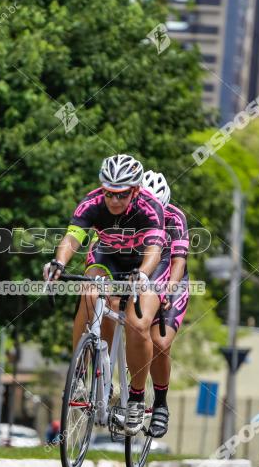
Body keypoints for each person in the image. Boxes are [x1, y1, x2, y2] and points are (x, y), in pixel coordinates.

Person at [44, 154, 166, 435]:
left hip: (143, 264)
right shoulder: (92, 202)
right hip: (107, 258)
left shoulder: (150, 208)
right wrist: (59, 263)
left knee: (137, 325)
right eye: (109, 193)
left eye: (121, 195)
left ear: (135, 190)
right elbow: (72, 237)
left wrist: (143, 275)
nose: (113, 200)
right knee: (89, 294)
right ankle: (81, 373)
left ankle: (135, 398)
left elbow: (154, 251)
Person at [140, 170, 190, 438]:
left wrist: (170, 291)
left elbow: (179, 261)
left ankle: (160, 404)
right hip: (137, 276)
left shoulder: (175, 217)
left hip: (171, 277)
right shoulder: (128, 213)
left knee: (160, 342)